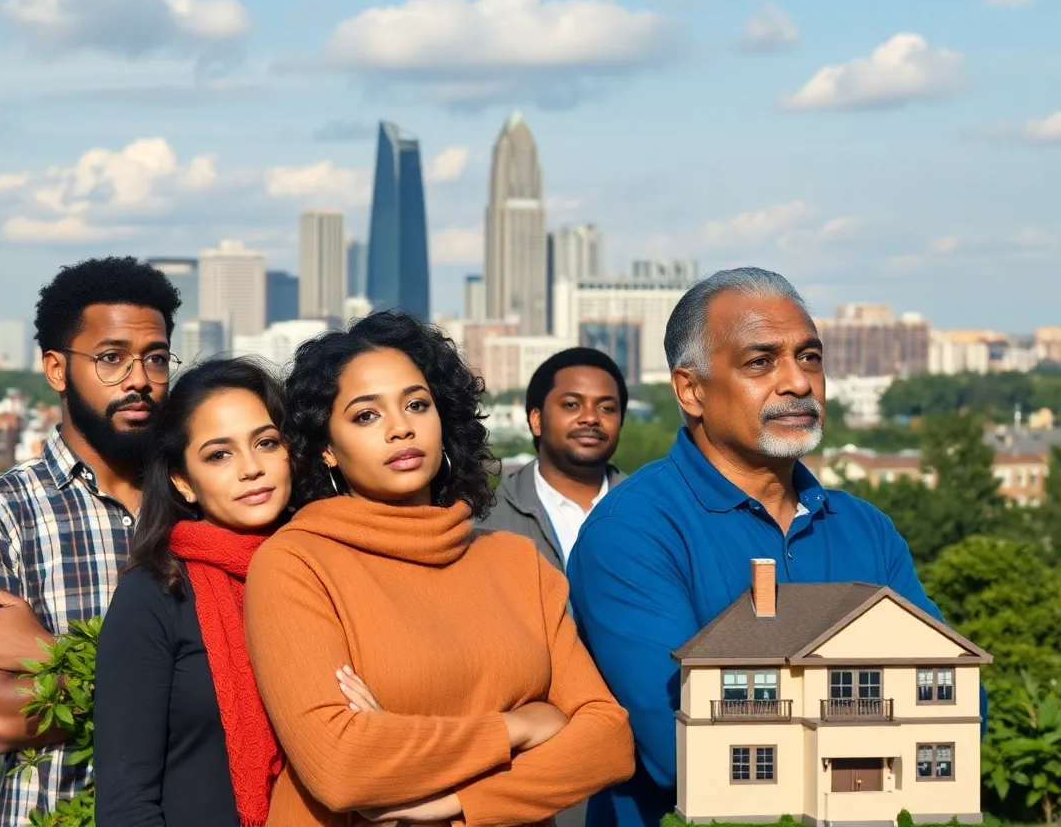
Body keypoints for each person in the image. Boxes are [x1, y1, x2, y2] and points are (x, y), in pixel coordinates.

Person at [566, 267, 987, 827]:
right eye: (760, 362)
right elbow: (685, 752)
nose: (797, 382)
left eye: (809, 357)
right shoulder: (631, 532)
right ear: (690, 390)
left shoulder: (866, 529)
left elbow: (958, 707)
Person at [243, 309, 635, 827]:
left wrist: (454, 804)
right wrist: (519, 727)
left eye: (416, 404)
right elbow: (340, 766)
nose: (401, 428)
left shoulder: (516, 561)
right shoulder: (295, 563)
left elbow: (608, 741)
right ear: (327, 450)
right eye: (366, 415)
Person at [0, 257, 181, 825]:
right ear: (55, 368)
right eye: (111, 358)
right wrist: (186, 690)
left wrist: (49, 656)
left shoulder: (201, 501)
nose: (139, 379)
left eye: (155, 358)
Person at [93, 357, 291, 826]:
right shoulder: (155, 594)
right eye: (219, 454)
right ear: (183, 481)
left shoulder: (328, 570)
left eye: (266, 443)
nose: (251, 469)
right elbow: (126, 803)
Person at [480, 347, 628, 574]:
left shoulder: (650, 510)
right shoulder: (487, 521)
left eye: (606, 408)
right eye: (571, 405)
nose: (591, 418)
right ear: (536, 419)